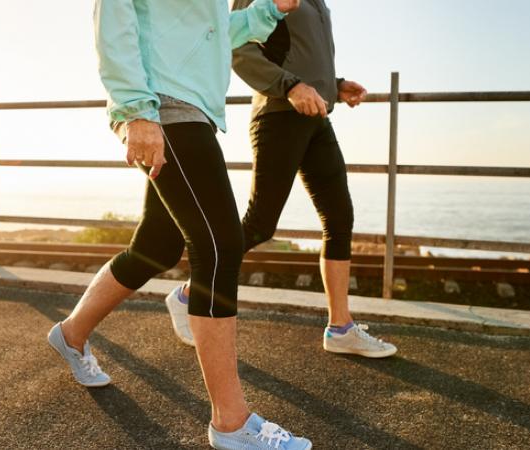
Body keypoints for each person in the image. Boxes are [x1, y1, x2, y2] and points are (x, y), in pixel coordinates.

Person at [47, 0, 312, 449]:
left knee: (156, 246)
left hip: (190, 108)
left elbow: (208, 33)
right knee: (220, 245)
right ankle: (231, 422)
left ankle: (70, 335)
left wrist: (269, 10)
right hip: (162, 106)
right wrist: (136, 111)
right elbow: (115, 17)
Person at [164, 0, 398, 359]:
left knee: (339, 219)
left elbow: (300, 53)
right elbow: (235, 45)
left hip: (316, 116)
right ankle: (188, 294)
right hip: (279, 116)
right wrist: (289, 86)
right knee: (260, 224)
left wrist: (334, 85)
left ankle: (341, 328)